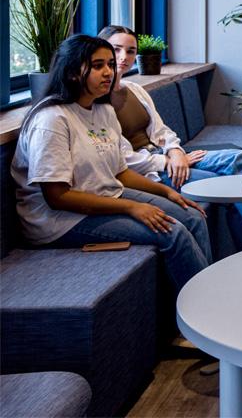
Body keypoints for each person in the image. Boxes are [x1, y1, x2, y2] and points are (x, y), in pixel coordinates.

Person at [11, 35, 211, 291]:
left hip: (105, 194)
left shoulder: (103, 111)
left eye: (109, 64)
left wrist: (167, 192)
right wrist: (131, 208)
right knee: (173, 232)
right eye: (97, 66)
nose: (109, 72)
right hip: (59, 220)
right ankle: (199, 313)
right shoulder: (51, 120)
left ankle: (211, 295)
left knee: (193, 216)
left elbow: (121, 173)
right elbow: (57, 197)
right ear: (72, 71)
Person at [97, 25, 242, 246]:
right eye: (117, 49)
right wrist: (167, 160)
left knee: (236, 157)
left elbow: (162, 131)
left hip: (167, 156)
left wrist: (176, 151)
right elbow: (121, 159)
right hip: (150, 170)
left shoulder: (134, 89)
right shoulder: (98, 101)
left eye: (131, 51)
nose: (123, 57)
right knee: (229, 186)